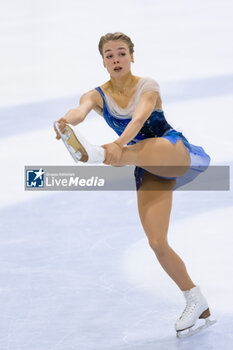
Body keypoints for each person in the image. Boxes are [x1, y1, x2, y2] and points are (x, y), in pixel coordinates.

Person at [54, 32, 216, 337]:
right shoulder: (96, 95)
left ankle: (98, 154)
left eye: (121, 53)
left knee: (126, 153)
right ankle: (195, 299)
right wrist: (66, 121)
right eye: (109, 55)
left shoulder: (148, 86)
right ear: (102, 61)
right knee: (157, 242)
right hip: (145, 166)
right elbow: (80, 110)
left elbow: (139, 120)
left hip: (171, 151)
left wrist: (115, 146)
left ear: (132, 56)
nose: (116, 59)